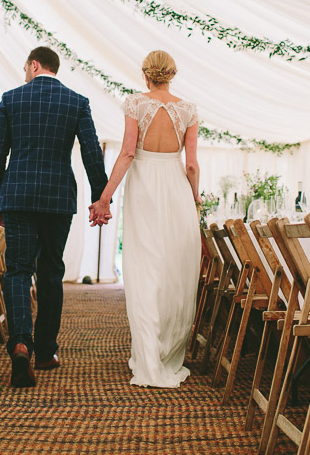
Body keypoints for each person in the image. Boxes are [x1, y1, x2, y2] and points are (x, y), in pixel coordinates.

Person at [0, 46, 110, 388]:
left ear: (34, 64)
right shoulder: (77, 102)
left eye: (25, 68)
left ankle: (20, 344)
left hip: (18, 198)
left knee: (17, 271)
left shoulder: (11, 99)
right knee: (52, 272)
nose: (24, 74)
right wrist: (102, 198)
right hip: (58, 200)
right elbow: (90, 153)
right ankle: (45, 352)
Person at [89, 50, 201, 388]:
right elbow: (192, 165)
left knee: (145, 268)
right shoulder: (189, 110)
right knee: (175, 271)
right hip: (177, 190)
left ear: (146, 74)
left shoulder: (135, 104)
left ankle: (148, 355)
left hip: (145, 191)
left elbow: (127, 153)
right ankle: (166, 353)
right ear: (172, 74)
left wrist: (105, 197)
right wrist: (195, 199)